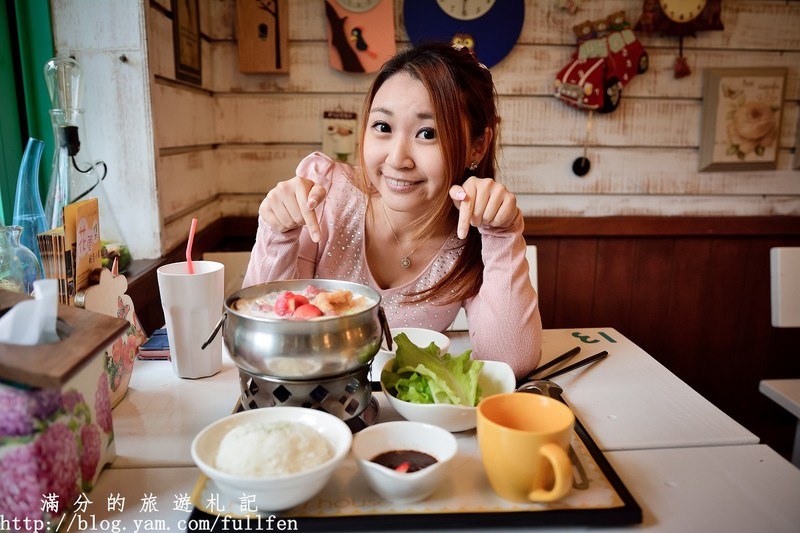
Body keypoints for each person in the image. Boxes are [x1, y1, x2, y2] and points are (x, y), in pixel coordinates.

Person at [243, 43, 541, 379]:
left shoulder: (469, 236)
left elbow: (509, 363)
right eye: (383, 127)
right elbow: (263, 335)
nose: (398, 159)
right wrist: (277, 232)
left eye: (428, 133)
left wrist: (502, 235)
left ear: (477, 145)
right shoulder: (326, 196)